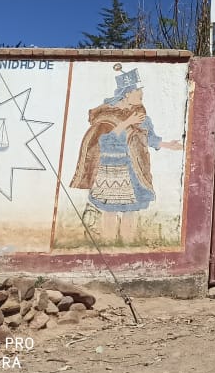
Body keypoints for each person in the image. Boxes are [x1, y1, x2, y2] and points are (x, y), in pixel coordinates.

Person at [70, 64, 182, 243]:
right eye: (138, 91)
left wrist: (169, 144)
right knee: (110, 210)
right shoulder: (107, 116)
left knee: (131, 210)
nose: (141, 95)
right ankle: (108, 245)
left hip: (134, 169)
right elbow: (104, 141)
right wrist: (127, 122)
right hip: (111, 168)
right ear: (127, 94)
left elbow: (150, 139)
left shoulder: (143, 118)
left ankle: (128, 245)